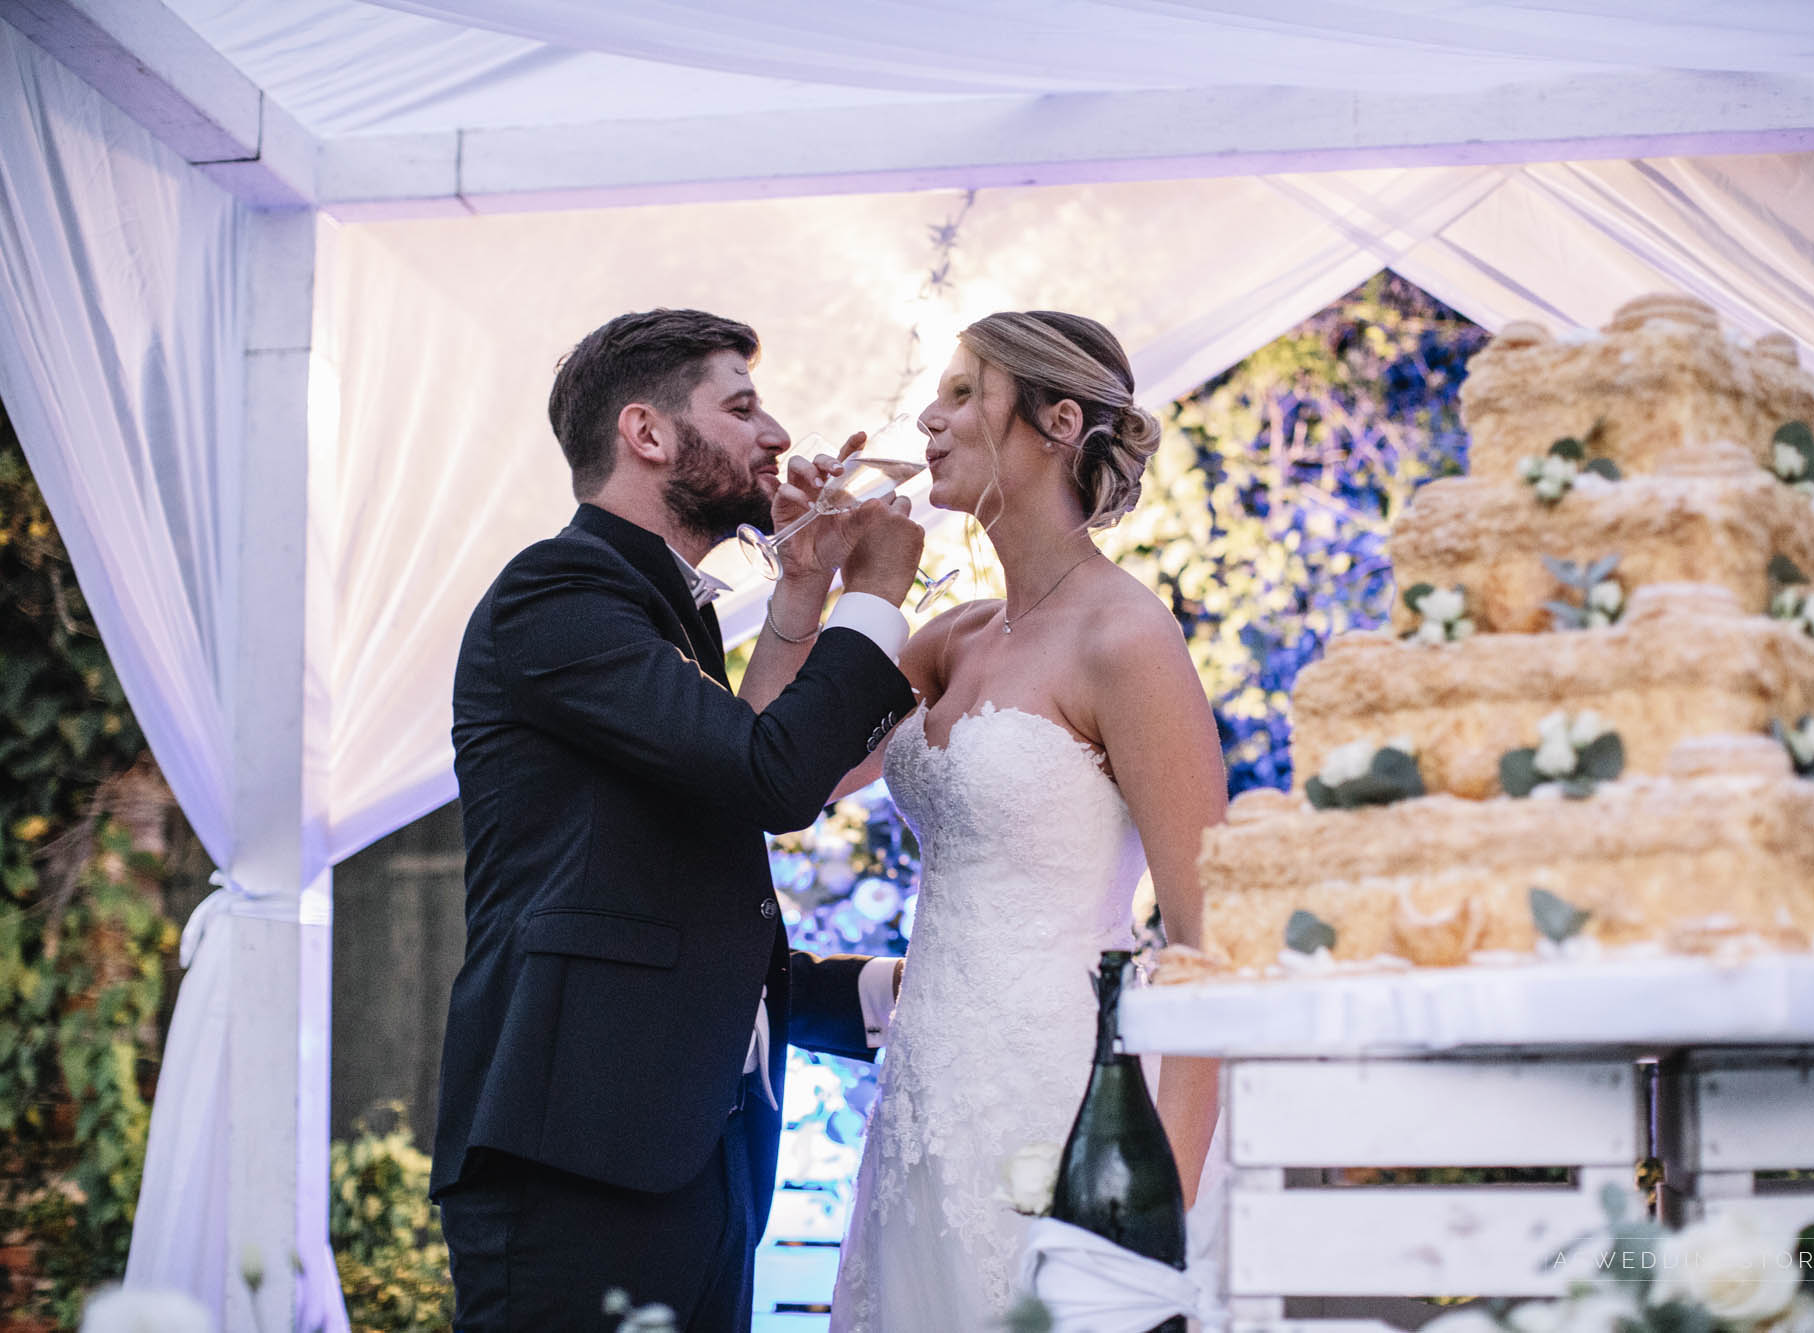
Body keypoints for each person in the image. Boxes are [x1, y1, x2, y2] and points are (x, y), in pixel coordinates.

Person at [430, 308, 926, 1332]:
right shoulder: (558, 592)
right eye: (741, 407)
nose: (779, 436)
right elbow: (775, 775)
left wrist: (800, 589)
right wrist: (874, 593)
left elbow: (730, 791)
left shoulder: (667, 611)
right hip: (575, 1162)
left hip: (696, 1157)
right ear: (648, 433)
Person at [829, 311, 1227, 1330]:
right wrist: (810, 591)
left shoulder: (1126, 639)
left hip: (1063, 1102)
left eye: (963, 392)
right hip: (924, 1098)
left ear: (1055, 421)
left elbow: (1212, 942)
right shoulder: (949, 638)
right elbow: (791, 776)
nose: (929, 415)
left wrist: (1156, 1203)